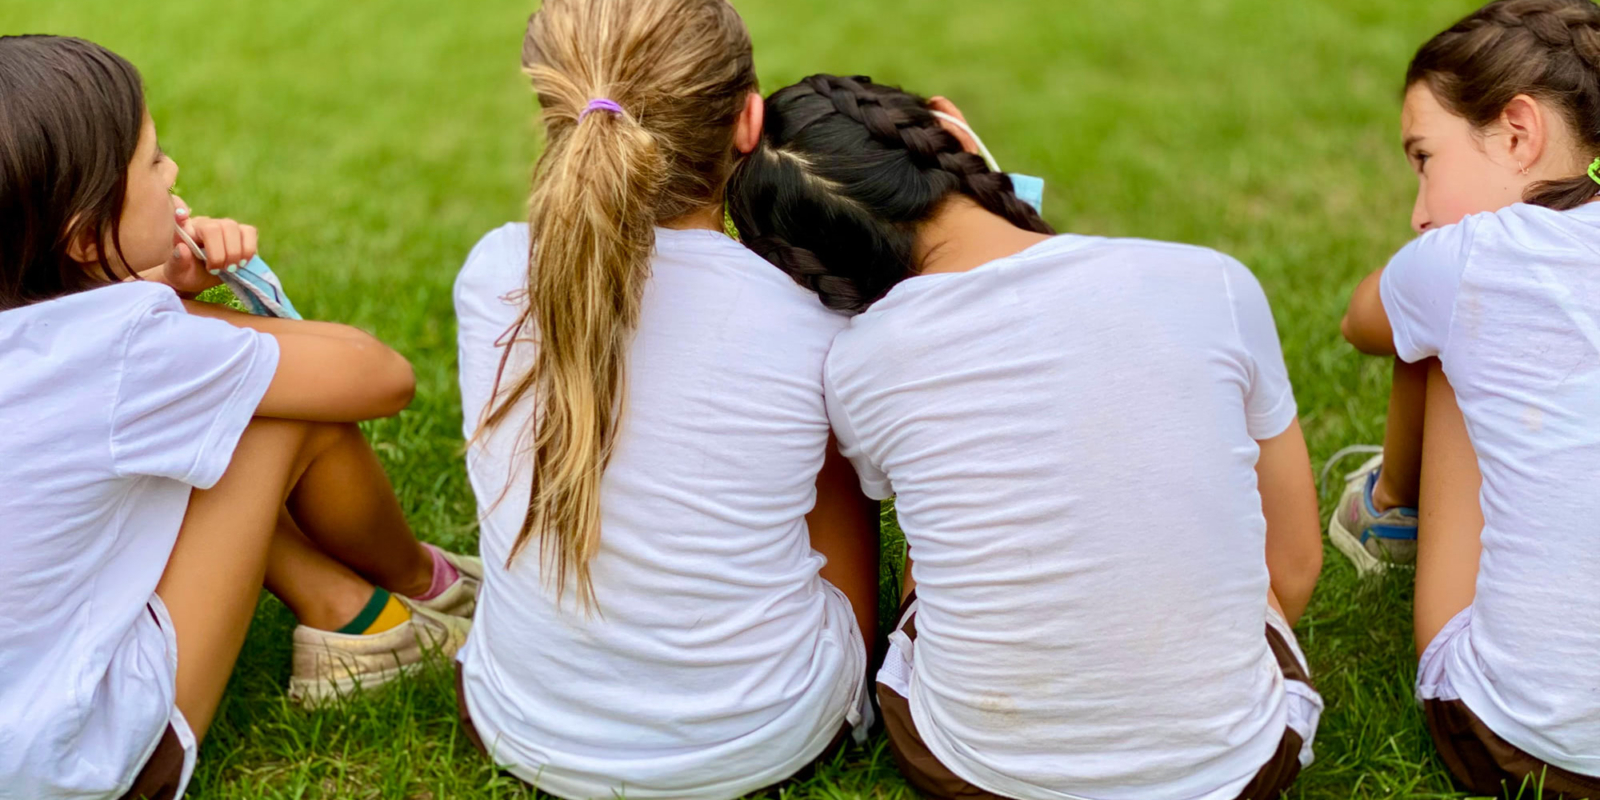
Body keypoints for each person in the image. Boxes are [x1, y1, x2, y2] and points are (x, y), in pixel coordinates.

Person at [726, 73, 1326, 800]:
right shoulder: (1213, 282)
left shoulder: (857, 366)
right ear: (949, 128)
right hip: (1240, 768)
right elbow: (1291, 566)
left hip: (980, 775)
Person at [0, 35, 479, 800]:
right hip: (78, 760)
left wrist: (155, 294)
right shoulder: (127, 350)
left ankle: (352, 609)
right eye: (154, 161)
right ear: (87, 235)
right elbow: (379, 376)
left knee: (214, 409)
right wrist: (200, 298)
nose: (174, 173)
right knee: (271, 409)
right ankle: (424, 586)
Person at [451, 1, 880, 797]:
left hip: (519, 723)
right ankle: (863, 685)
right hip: (768, 733)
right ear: (749, 122)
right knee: (839, 446)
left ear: (553, 108)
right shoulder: (809, 318)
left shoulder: (492, 272)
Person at [1333, 0, 1600, 794]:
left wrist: (1440, 262)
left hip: (1521, 738)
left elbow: (1362, 320)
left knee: (1440, 324)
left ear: (1518, 133)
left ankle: (1387, 507)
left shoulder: (1471, 254)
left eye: (1424, 159)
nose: (1418, 210)